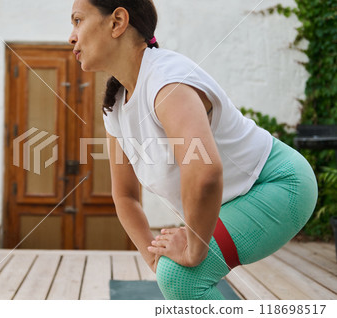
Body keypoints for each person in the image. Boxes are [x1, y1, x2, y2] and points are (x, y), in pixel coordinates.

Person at [68, 0, 318, 300]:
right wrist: (153, 255)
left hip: (277, 184)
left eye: (78, 20)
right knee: (171, 272)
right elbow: (125, 195)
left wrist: (194, 250)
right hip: (232, 200)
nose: (71, 36)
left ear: (117, 21)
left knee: (181, 277)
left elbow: (204, 173)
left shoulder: (166, 81)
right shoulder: (115, 108)